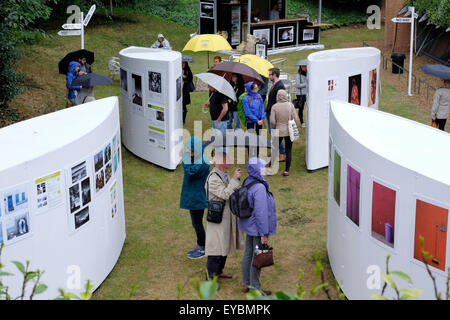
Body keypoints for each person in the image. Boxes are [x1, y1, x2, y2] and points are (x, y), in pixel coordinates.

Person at [239, 157, 276, 296]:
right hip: (257, 228)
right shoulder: (259, 187)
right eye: (262, 167)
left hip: (249, 225)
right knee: (257, 256)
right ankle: (255, 287)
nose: (264, 170)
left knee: (248, 253)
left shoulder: (248, 180)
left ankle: (246, 283)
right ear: (256, 170)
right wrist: (264, 234)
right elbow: (261, 213)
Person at [205, 149, 244, 280]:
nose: (230, 162)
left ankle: (219, 272)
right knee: (216, 248)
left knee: (225, 246)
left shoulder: (224, 175)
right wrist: (234, 179)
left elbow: (232, 191)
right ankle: (211, 278)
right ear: (221, 162)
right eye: (227, 159)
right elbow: (225, 194)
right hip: (218, 218)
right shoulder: (213, 178)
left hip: (227, 217)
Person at [180, 137, 210, 259]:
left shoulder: (200, 163)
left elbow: (190, 171)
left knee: (197, 223)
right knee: (196, 223)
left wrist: (185, 159)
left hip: (197, 199)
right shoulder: (199, 158)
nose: (188, 152)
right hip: (196, 197)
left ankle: (202, 247)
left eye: (191, 150)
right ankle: (201, 245)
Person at [270, 89, 300, 176]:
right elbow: (296, 118)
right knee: (288, 150)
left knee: (275, 149)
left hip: (278, 129)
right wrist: (291, 122)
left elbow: (272, 121)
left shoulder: (274, 107)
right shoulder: (290, 105)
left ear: (277, 96)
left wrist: (274, 127)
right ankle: (286, 170)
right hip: (289, 130)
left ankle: (271, 167)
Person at [267, 68, 286, 161]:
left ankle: (283, 153)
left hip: (274, 113)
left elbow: (280, 101)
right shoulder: (274, 84)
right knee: (272, 133)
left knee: (275, 133)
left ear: (274, 75)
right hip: (269, 111)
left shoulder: (280, 86)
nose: (269, 76)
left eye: (270, 74)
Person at [243, 82, 265, 157]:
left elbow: (262, 108)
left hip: (259, 122)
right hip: (251, 123)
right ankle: (251, 157)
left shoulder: (259, 96)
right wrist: (256, 120)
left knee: (258, 139)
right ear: (251, 89)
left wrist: (262, 118)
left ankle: (257, 156)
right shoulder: (245, 99)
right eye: (256, 88)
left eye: (257, 87)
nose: (257, 89)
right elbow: (247, 113)